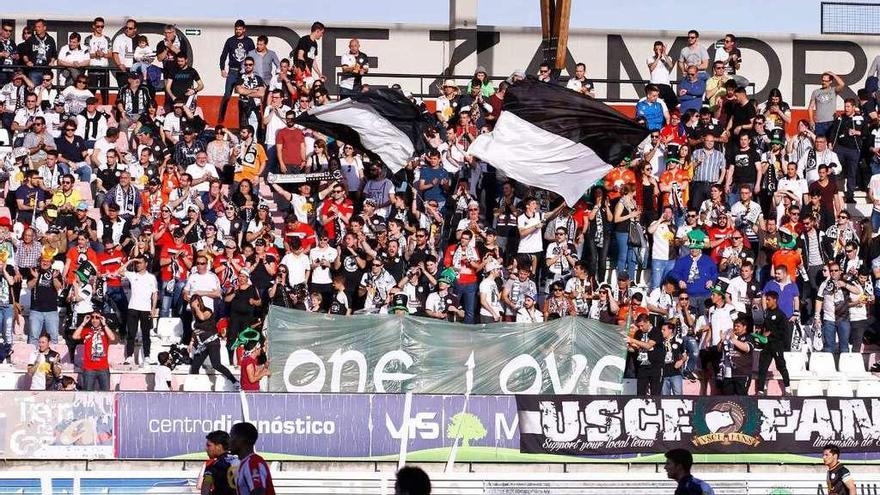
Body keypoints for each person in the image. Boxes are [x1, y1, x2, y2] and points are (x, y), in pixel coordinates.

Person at [189, 295, 238, 387]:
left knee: (216, 364)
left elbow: (202, 318)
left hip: (212, 342)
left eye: (196, 302)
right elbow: (196, 329)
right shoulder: (195, 315)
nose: (194, 304)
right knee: (195, 366)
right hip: (202, 344)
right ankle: (195, 385)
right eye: (193, 302)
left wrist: (196, 308)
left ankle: (234, 381)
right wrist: (191, 342)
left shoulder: (208, 311)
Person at [755, 291, 792, 396]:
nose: (766, 302)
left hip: (776, 345)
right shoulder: (766, 313)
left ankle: (788, 389)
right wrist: (760, 336)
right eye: (766, 299)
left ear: (775, 300)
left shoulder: (781, 315)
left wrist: (771, 333)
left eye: (769, 300)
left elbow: (784, 331)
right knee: (762, 368)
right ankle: (761, 390)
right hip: (766, 345)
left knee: (781, 366)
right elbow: (763, 328)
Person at [72, 312, 116, 391]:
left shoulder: (105, 330)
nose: (94, 320)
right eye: (92, 317)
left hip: (103, 367)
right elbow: (75, 336)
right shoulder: (86, 330)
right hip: (89, 368)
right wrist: (83, 323)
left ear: (101, 319)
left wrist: (104, 324)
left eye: (97, 317)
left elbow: (112, 338)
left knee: (106, 393)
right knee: (87, 394)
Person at [229, 421, 275, 495]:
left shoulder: (253, 462)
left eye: (231, 436)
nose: (229, 441)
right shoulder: (244, 463)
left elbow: (258, 492)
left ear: (241, 439)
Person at [627, 314, 664, 395]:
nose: (640, 328)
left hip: (655, 367)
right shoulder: (638, 333)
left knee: (655, 393)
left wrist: (632, 340)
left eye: (642, 326)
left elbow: (648, 346)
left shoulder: (656, 331)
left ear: (648, 322)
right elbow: (635, 349)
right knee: (640, 393)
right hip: (642, 367)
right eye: (639, 326)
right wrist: (627, 346)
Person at [201, 430, 238, 495]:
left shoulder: (213, 465)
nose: (206, 449)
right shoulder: (240, 460)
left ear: (219, 447)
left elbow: (205, 490)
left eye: (209, 445)